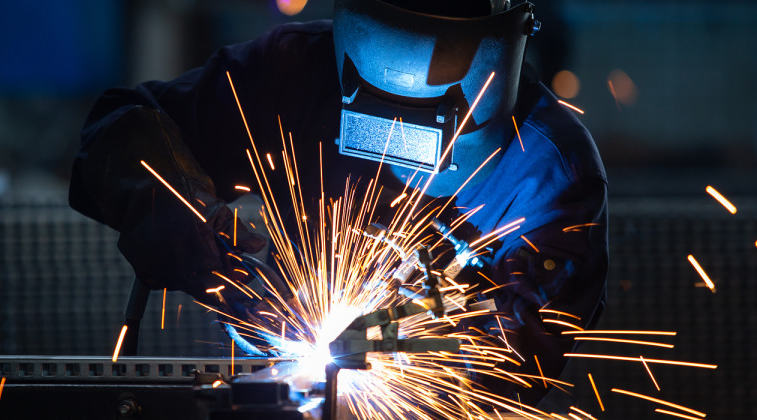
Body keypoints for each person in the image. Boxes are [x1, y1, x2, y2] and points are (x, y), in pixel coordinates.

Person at [69, 0, 607, 407]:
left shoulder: (549, 169)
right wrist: (173, 206)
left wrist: (413, 328)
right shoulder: (291, 74)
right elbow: (121, 123)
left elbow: (519, 353)